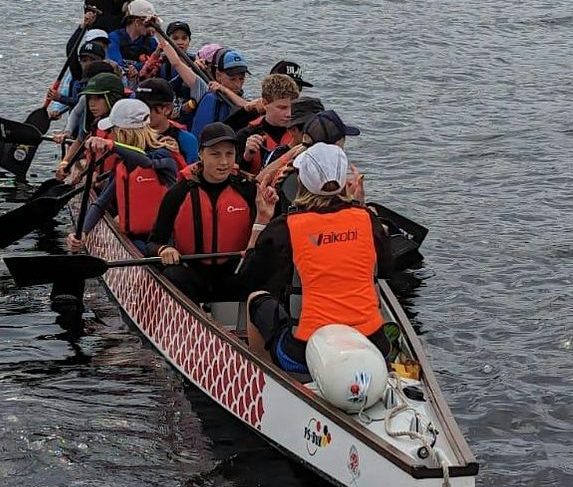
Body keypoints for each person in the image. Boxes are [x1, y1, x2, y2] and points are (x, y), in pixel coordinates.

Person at [243, 143, 394, 377]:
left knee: (255, 298)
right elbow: (387, 268)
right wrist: (360, 207)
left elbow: (248, 277)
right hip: (375, 345)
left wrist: (261, 221)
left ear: (301, 182)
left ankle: (266, 378)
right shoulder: (367, 220)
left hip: (302, 353)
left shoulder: (285, 227)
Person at [147, 122, 268, 306]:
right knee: (171, 274)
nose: (224, 162)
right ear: (200, 154)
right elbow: (153, 242)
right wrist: (165, 249)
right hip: (193, 275)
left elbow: (267, 239)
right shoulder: (179, 193)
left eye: (229, 154)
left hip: (233, 274)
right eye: (215, 154)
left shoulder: (248, 190)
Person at [70, 98, 180, 249]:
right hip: (135, 239)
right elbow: (101, 203)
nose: (110, 136)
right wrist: (82, 232)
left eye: (112, 132)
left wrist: (112, 146)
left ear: (123, 133)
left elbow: (146, 162)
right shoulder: (123, 163)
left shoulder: (163, 155)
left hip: (166, 241)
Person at [55, 69, 125, 178]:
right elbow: (80, 141)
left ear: (112, 98)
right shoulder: (94, 123)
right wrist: (65, 163)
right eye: (90, 98)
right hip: (96, 179)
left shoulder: (127, 128)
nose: (92, 104)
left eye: (98, 98)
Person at [238, 72, 300, 176]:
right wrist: (246, 157)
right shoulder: (245, 135)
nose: (289, 114)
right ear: (265, 103)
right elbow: (234, 176)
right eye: (282, 108)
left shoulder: (300, 133)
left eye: (292, 107)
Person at [135, 75, 199, 165]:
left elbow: (192, 175)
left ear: (167, 109)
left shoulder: (186, 140)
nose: (139, 113)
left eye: (146, 107)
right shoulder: (130, 135)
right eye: (136, 107)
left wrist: (177, 157)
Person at [188, 48, 253, 134]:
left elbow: (249, 106)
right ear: (218, 76)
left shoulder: (243, 99)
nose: (238, 84)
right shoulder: (211, 99)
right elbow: (199, 134)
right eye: (232, 79)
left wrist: (225, 90)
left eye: (241, 79)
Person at [106, 0, 161, 77]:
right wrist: (130, 70)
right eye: (149, 23)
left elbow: (157, 62)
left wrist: (137, 67)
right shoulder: (114, 38)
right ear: (137, 22)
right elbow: (115, 63)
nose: (152, 27)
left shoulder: (151, 42)